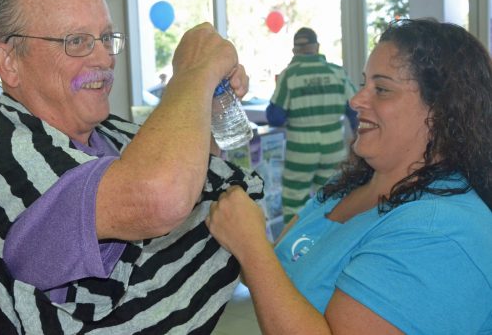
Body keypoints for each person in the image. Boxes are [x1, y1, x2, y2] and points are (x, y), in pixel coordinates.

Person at [0, 0, 262, 334]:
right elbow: (161, 198)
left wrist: (203, 109)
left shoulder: (114, 134)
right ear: (9, 62)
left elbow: (198, 184)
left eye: (106, 38)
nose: (104, 58)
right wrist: (192, 76)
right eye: (76, 41)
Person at [207, 18, 492, 334]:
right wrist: (213, 103)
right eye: (363, 84)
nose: (356, 100)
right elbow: (278, 269)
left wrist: (251, 246)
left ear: (440, 111)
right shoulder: (347, 187)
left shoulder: (439, 231)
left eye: (381, 89)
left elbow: (263, 264)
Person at [266, 27, 357, 222]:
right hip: (334, 145)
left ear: (294, 51)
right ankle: (327, 240)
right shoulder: (337, 72)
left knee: (294, 197)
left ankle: (292, 246)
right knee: (332, 195)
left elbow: (275, 117)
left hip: (301, 146)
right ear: (317, 47)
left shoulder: (290, 75)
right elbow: (354, 108)